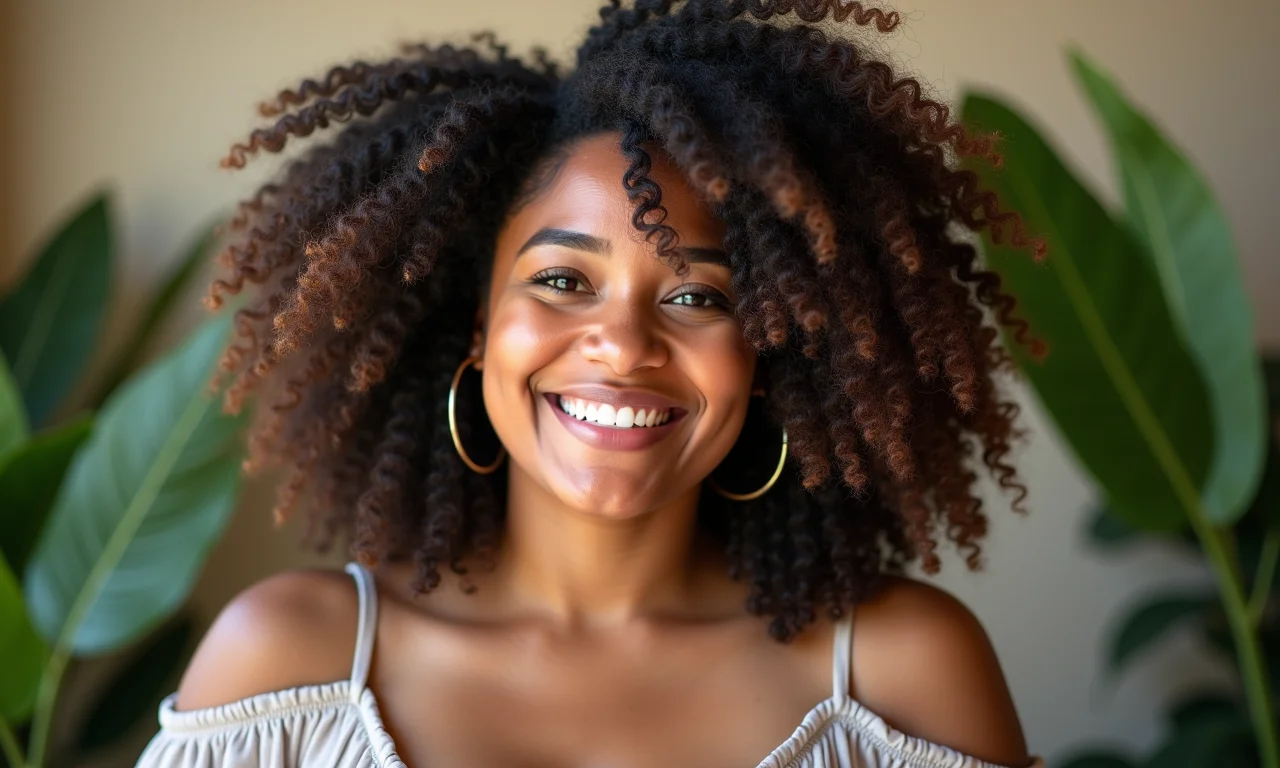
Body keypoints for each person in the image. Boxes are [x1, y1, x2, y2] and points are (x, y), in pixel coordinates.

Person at [136, 1, 1049, 766]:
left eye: (697, 294)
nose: (622, 346)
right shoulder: (292, 665)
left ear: (773, 351)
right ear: (479, 328)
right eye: (563, 281)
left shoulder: (900, 677)